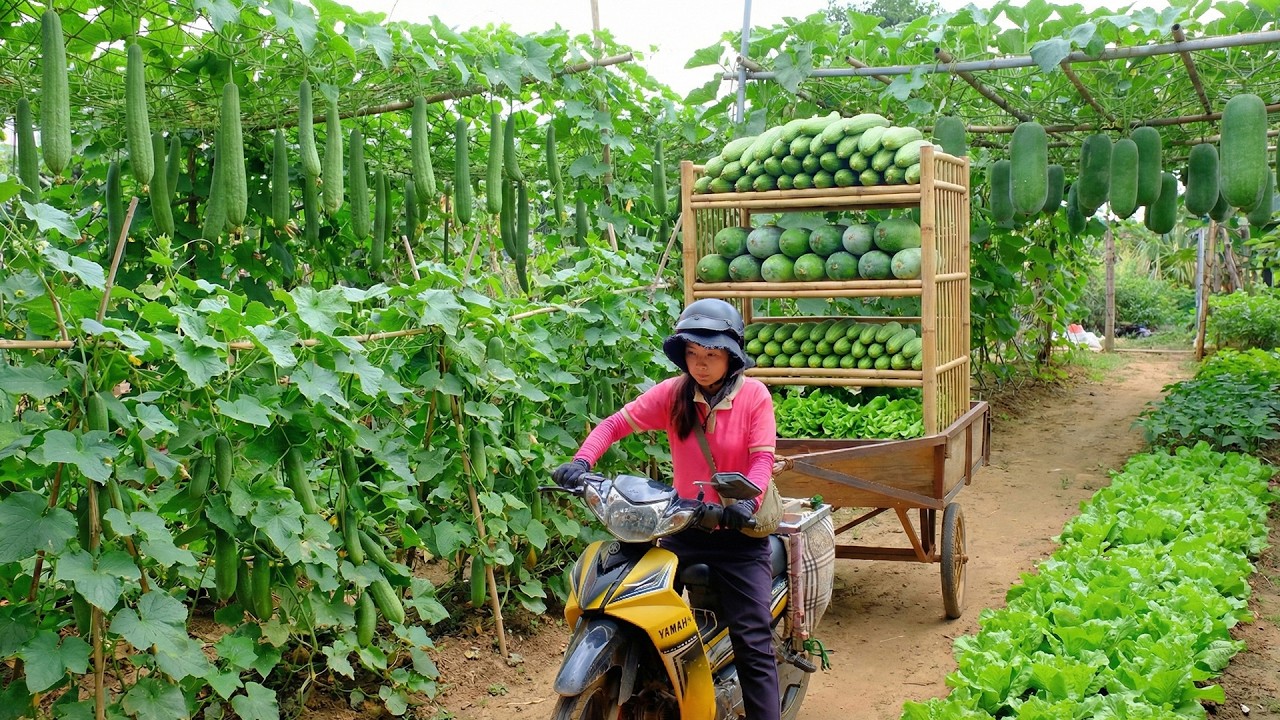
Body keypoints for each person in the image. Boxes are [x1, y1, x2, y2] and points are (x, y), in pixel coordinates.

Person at [552, 297, 781, 720]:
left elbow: (762, 460)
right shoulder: (674, 394)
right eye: (693, 353)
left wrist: (745, 501)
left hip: (737, 536)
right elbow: (615, 424)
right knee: (639, 603)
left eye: (712, 354)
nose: (702, 364)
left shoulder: (754, 397)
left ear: (732, 357)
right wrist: (582, 462)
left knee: (753, 642)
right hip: (683, 527)